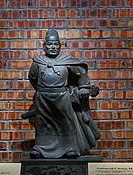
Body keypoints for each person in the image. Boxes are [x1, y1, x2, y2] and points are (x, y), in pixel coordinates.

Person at [22, 29, 100, 158]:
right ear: (44, 46)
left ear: (59, 46)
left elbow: (81, 73)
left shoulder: (67, 61)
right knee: (43, 123)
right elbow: (32, 78)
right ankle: (40, 148)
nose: (53, 47)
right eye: (50, 44)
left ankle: (70, 148)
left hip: (62, 97)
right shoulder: (38, 62)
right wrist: (42, 90)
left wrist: (84, 87)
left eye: (56, 44)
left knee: (66, 122)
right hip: (43, 98)